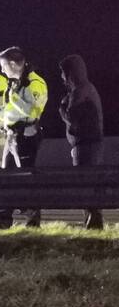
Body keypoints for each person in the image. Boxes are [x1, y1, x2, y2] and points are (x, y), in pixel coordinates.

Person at [0, 47, 48, 229]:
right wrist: (1, 113)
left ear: (14, 64)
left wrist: (14, 99)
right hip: (12, 134)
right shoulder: (17, 81)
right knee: (5, 179)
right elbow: (14, 107)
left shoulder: (34, 83)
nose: (2, 70)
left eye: (3, 66)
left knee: (26, 179)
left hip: (25, 135)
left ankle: (33, 224)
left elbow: (32, 112)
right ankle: (2, 221)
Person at [59, 54, 104, 230]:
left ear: (70, 72)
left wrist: (62, 108)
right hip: (87, 143)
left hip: (86, 144)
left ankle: (93, 225)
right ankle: (92, 223)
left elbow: (71, 117)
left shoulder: (81, 91)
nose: (62, 77)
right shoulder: (86, 89)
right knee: (88, 184)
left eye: (63, 73)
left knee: (86, 184)